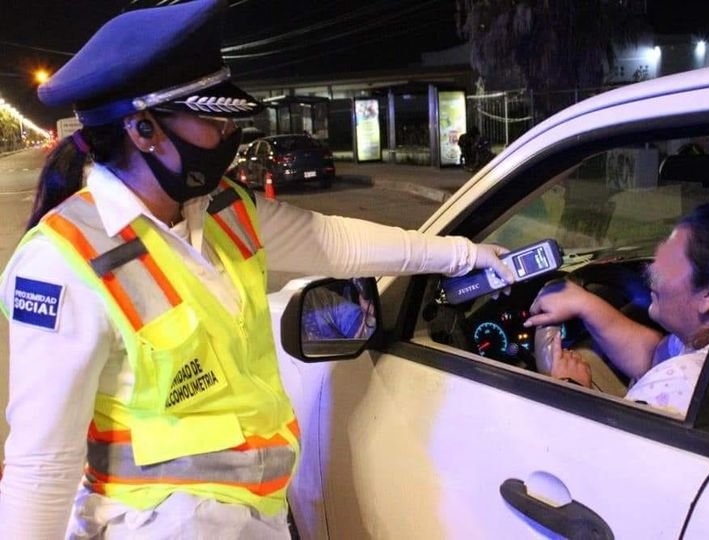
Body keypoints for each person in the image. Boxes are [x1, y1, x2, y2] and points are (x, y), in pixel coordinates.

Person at [0, 1, 514, 537]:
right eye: (211, 119)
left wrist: (463, 254)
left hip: (255, 514)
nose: (229, 134)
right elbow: (41, 468)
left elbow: (335, 242)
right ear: (143, 129)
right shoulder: (62, 261)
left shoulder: (221, 209)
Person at [524, 202, 709, 417]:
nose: (653, 266)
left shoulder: (679, 384)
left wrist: (570, 388)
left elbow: (599, 448)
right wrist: (584, 304)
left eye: (670, 260)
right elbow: (656, 356)